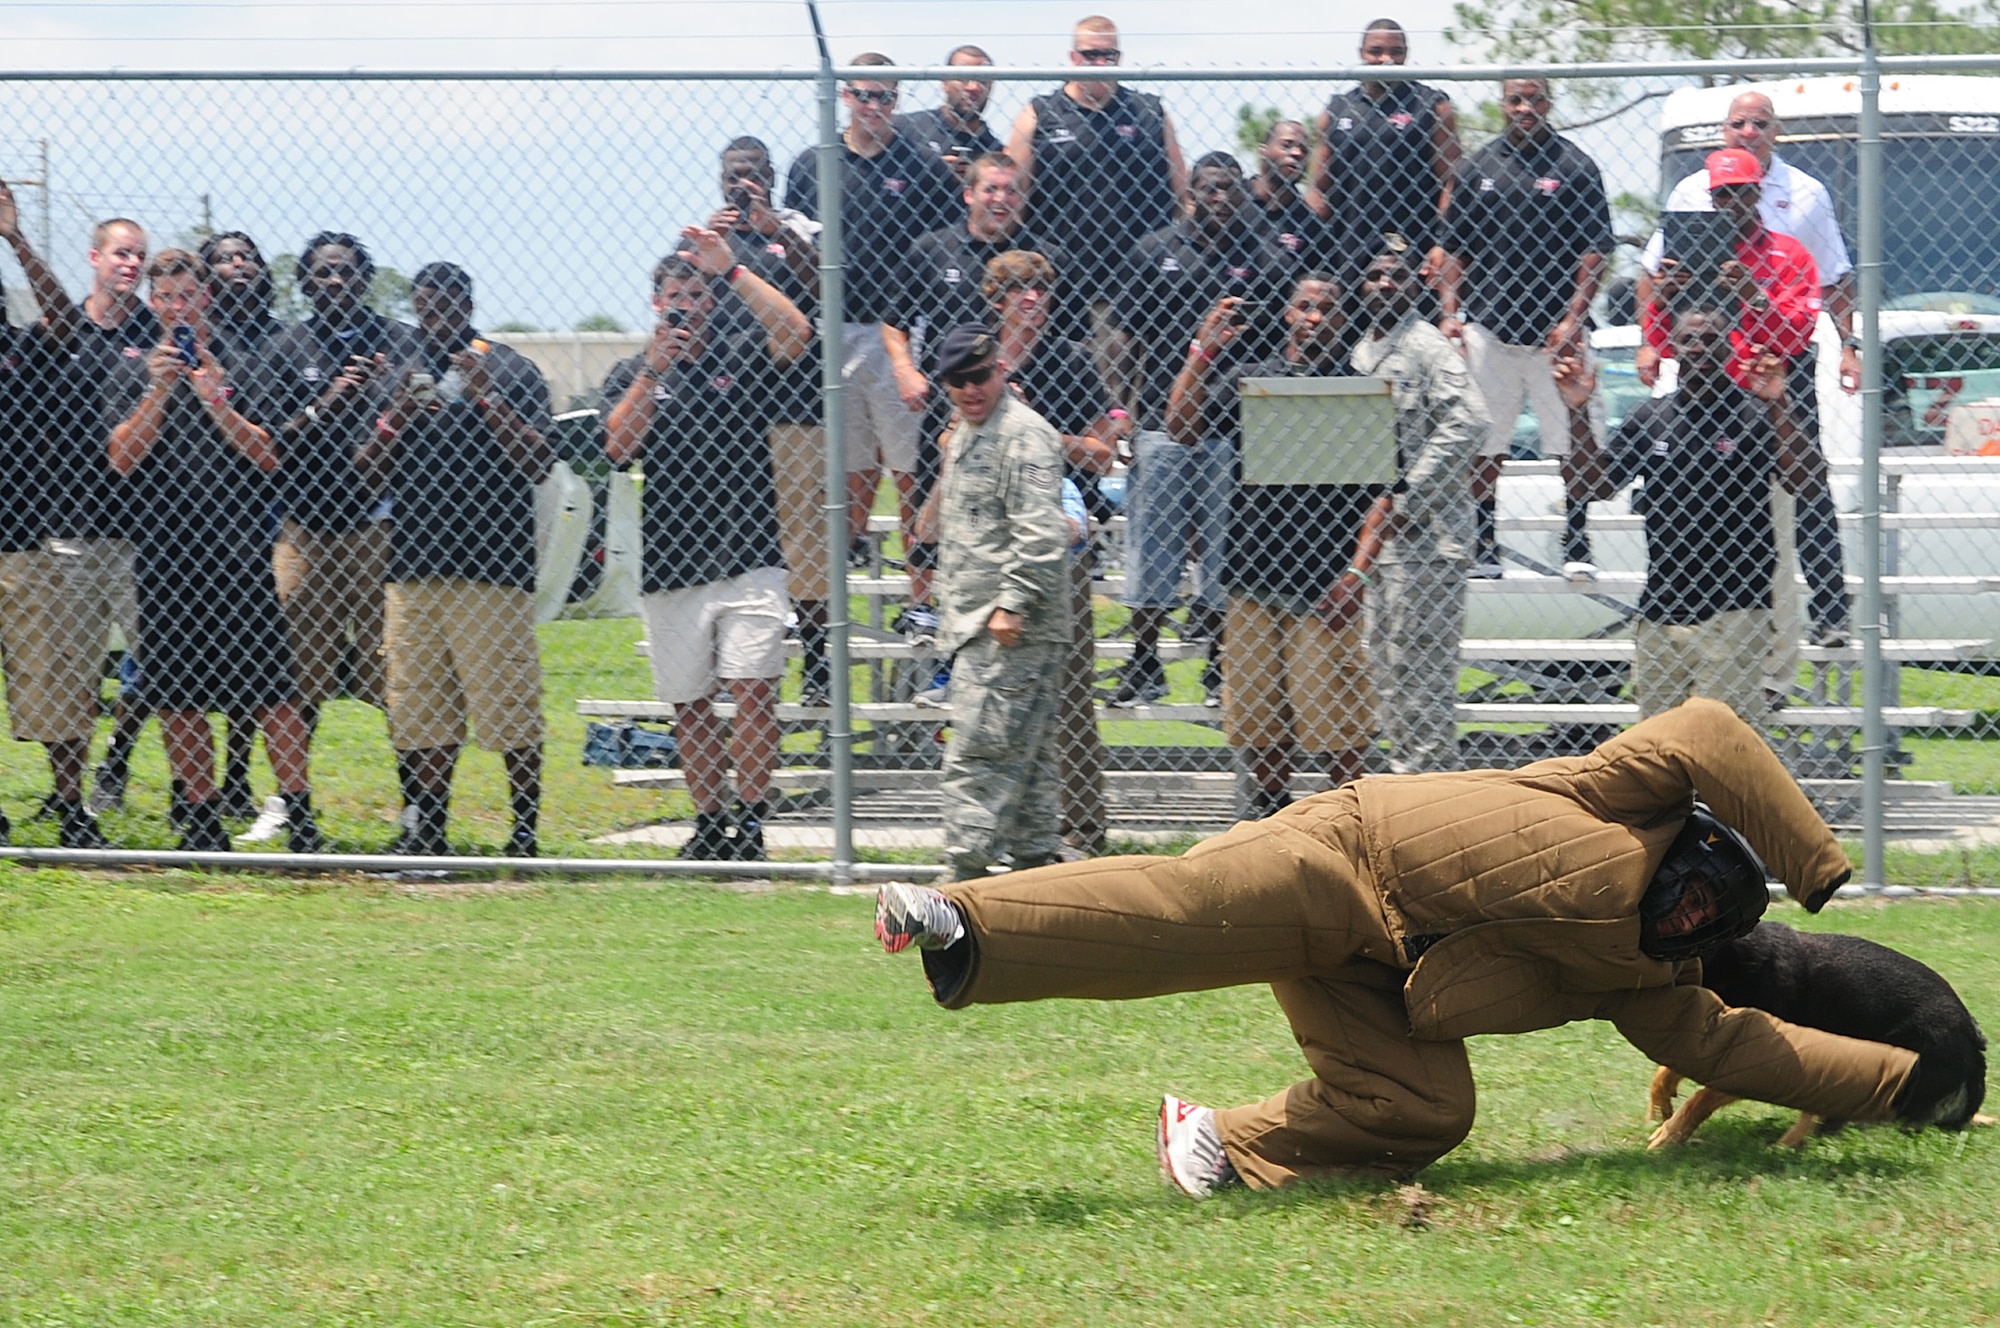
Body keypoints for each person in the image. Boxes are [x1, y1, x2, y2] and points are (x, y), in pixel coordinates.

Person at [872, 698, 1953, 1198]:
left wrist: (1904, 1084)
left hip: (1385, 982)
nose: (1677, 914)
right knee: (1180, 905)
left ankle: (1216, 1140)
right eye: (1686, 889)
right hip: (1341, 863)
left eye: (1698, 920)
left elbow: (1750, 1050)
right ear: (1688, 849)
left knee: (1427, 1111)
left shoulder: (1649, 984)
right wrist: (1811, 860)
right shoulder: (1617, 791)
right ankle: (963, 918)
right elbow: (1710, 725)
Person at [601, 228, 812, 862]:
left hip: (750, 557)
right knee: (689, 703)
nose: (686, 306)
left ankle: (750, 824)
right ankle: (709, 825)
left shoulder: (742, 351)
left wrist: (735, 270)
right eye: (675, 296)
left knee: (753, 690)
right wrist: (653, 372)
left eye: (696, 294)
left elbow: (798, 332)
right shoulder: (633, 370)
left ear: (711, 300)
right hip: (673, 567)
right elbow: (616, 447)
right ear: (656, 302)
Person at [104, 250, 320, 854]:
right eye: (166, 299)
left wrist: (215, 399)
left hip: (240, 557)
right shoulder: (137, 370)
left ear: (207, 298)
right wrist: (160, 390)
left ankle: (300, 816)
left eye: (188, 297)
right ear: (154, 304)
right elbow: (121, 458)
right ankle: (201, 819)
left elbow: (271, 455)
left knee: (273, 692)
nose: (178, 309)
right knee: (177, 697)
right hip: (166, 560)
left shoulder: (246, 365)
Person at [1639, 90, 1855, 653]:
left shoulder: (1788, 248)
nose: (1729, 204)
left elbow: (1797, 333)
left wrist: (1752, 295)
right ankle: (1689, 638)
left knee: (1788, 513)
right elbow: (1664, 332)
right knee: (1706, 527)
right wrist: (1661, 304)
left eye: (1741, 194)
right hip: (1706, 399)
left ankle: (1793, 652)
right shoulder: (1687, 228)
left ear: (1760, 193)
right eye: (1722, 195)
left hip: (1769, 393)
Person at [1168, 272, 1386, 818]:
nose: (1314, 317)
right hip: (1253, 580)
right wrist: (1203, 351)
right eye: (1305, 307)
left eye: (1326, 308)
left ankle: (1348, 833)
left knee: (1340, 730)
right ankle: (1272, 825)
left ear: (1341, 319)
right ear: (1288, 314)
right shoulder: (1253, 380)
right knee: (1262, 727)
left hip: (1325, 586)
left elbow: (1383, 498)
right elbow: (1180, 427)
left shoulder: (1354, 388)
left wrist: (1357, 576)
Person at [358, 262, 554, 858]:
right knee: (419, 710)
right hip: (414, 571)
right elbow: (365, 475)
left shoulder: (511, 367)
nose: (435, 318)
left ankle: (523, 833)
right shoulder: (399, 370)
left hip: (491, 570)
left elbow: (540, 462)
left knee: (509, 710)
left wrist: (486, 395)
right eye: (425, 307)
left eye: (447, 307)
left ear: (468, 305)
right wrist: (397, 415)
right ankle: (428, 830)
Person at [1111, 152, 1303, 707]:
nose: (1219, 198)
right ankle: (1144, 661)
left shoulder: (1267, 259)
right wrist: (1121, 415)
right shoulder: (1154, 251)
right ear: (1190, 193)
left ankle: (1221, 667)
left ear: (1243, 192)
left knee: (1227, 551)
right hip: (1161, 422)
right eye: (1208, 190)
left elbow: (1278, 351)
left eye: (1229, 189)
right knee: (1153, 546)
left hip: (1235, 429)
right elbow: (1125, 338)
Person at [1568, 309, 1826, 720]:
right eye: (1690, 340)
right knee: (1658, 748)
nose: (1700, 348)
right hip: (1661, 610)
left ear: (1728, 348)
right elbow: (1590, 486)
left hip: (1736, 609)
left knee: (1716, 744)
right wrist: (1576, 410)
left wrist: (1779, 403)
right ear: (1673, 349)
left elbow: (1808, 483)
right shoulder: (1649, 419)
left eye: (1710, 340)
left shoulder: (1754, 415)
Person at [784, 54, 961, 615]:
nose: (873, 107)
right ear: (845, 98)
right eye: (863, 95)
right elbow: (794, 246)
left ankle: (921, 602)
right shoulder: (814, 164)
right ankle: (825, 614)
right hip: (833, 329)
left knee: (911, 473)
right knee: (850, 476)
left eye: (884, 97)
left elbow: (944, 248)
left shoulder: (925, 167)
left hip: (899, 336)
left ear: (897, 101)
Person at [250, 232, 425, 752]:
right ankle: (292, 802)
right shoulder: (285, 347)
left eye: (347, 271)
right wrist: (330, 398)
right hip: (304, 529)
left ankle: (415, 809)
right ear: (305, 282)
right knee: (296, 672)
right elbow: (269, 437)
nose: (336, 281)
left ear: (365, 280)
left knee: (395, 670)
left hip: (379, 529)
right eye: (325, 272)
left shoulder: (399, 340)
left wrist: (394, 389)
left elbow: (425, 406)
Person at [883, 151, 1071, 627]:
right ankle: (924, 607)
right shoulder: (932, 250)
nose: (1001, 199)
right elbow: (893, 323)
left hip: (1019, 414)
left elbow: (1066, 333)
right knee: (932, 502)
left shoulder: (1041, 259)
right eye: (991, 188)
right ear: (969, 194)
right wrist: (906, 370)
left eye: (1011, 190)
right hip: (951, 406)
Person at [1437, 77, 1614, 582]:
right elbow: (1454, 250)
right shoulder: (1477, 168)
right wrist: (1451, 313)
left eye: (1534, 99)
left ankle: (1577, 540)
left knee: (1571, 442)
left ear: (1549, 103)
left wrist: (1573, 318)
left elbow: (1595, 250)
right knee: (1485, 443)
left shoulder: (1575, 166)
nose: (1525, 108)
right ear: (1502, 104)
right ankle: (1485, 542)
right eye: (1515, 99)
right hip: (1490, 332)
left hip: (1557, 339)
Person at [983, 251, 1128, 857]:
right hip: (992, 549)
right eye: (1018, 287)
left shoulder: (1070, 360)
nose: (1032, 297)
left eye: (1041, 286)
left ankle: (1084, 834)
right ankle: (1002, 829)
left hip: (1060, 551)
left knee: (1070, 698)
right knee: (995, 698)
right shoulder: (977, 360)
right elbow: (946, 438)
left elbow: (1100, 453)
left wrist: (1039, 437)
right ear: (996, 298)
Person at [927, 324, 1072, 880]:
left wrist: (1012, 602)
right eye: (958, 381)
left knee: (979, 756)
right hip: (977, 621)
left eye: (980, 376)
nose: (970, 390)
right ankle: (1038, 876)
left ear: (1001, 370)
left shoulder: (1024, 435)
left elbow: (1040, 531)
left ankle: (961, 880)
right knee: (1028, 764)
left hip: (1011, 626)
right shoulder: (964, 433)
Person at [704, 137, 833, 704]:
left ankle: (820, 664)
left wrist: (775, 229)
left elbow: (825, 290)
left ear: (773, 176)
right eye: (735, 175)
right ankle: (732, 665)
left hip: (795, 408)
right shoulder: (709, 241)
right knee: (728, 537)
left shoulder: (803, 230)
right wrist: (717, 241)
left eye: (754, 174)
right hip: (726, 414)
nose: (744, 183)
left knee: (802, 541)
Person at [1351, 248, 1488, 774]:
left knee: (1422, 682)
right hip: (1377, 546)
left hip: (1427, 542)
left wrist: (1411, 495)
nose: (1385, 284)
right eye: (1375, 274)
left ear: (1420, 285)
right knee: (1384, 674)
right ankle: (1405, 797)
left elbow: (1471, 420)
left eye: (1398, 276)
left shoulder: (1426, 346)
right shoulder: (1361, 351)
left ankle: (1433, 809)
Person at [0, 181, 108, 849]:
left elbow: (67, 323)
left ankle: (72, 810)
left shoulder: (18, 349)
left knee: (54, 685)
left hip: (19, 544)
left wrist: (15, 238)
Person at [1006, 14, 1188, 402]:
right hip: (1060, 278)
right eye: (1091, 55)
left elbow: (1182, 194)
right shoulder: (1040, 113)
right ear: (1072, 57)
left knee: (1131, 391)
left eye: (1109, 55)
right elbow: (1013, 194)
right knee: (1066, 388)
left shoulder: (1149, 112)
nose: (1100, 64)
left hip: (1135, 278)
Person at [53, 219, 152, 822]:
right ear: (94, 257)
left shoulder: (155, 332)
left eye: (139, 255)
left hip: (139, 533)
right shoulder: (64, 330)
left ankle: (120, 765)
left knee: (159, 667)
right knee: (74, 678)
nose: (131, 264)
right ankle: (70, 803)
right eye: (121, 253)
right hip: (71, 528)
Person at [196, 229, 284, 822]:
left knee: (254, 660)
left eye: (247, 257)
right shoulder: (197, 337)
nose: (238, 265)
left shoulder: (278, 340)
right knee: (168, 662)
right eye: (225, 259)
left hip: (258, 514)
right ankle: (121, 766)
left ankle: (237, 779)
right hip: (193, 514)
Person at [1308, 20, 1462, 294]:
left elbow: (1452, 181)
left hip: (1415, 245)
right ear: (1361, 53)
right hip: (1349, 247)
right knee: (1351, 330)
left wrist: (1443, 242)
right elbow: (1319, 188)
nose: (1386, 60)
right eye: (1376, 51)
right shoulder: (1337, 109)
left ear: (1407, 54)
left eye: (1396, 52)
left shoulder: (1431, 105)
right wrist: (1315, 239)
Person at [894, 45, 1003, 182]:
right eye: (963, 78)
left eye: (982, 80)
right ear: (945, 83)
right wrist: (933, 167)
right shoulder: (904, 128)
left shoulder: (995, 151)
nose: (973, 87)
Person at [1252, 120, 1334, 273]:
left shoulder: (1312, 226)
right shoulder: (1234, 202)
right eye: (1286, 145)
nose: (1297, 153)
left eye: (1304, 150)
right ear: (1263, 151)